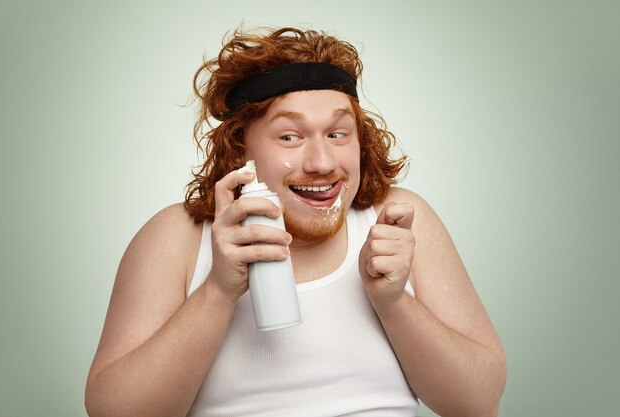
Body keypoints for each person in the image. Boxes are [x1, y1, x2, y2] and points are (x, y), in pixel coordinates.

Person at [85, 27, 507, 417]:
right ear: (238, 150)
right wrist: (218, 291)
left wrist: (395, 304)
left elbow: (478, 401)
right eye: (290, 136)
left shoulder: (396, 223)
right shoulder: (178, 238)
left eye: (338, 134)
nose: (322, 163)